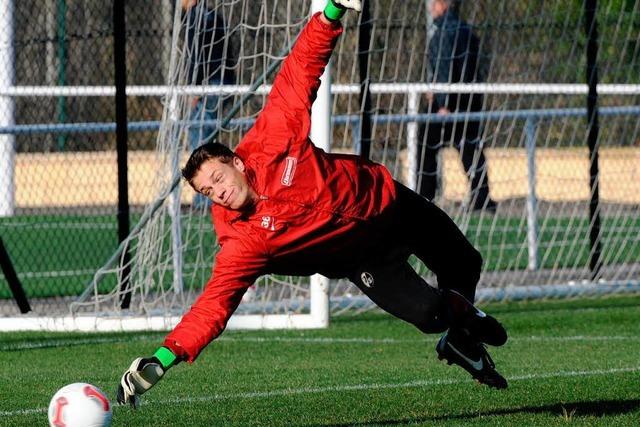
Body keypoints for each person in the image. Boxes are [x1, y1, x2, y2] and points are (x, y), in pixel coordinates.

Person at [117, 0, 508, 409]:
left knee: (465, 263)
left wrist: (331, 12)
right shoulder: (242, 243)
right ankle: (459, 325)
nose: (218, 191)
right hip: (364, 259)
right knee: (429, 315)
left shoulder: (273, 137)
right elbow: (213, 305)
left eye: (218, 178)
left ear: (236, 162)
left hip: (391, 204)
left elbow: (299, 69)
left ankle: (462, 340)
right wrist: (164, 358)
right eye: (207, 192)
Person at [417, 0, 497, 211]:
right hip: (470, 101)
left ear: (443, 4)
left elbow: (445, 66)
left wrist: (443, 102)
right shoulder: (468, 31)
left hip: (448, 105)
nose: (431, 8)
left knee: (425, 144)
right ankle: (483, 199)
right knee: (470, 148)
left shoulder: (443, 33)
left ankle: (424, 196)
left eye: (434, 4)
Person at [183, 0, 236, 208]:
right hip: (221, 81)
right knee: (205, 133)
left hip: (209, 85)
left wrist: (194, 87)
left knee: (201, 135)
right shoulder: (211, 15)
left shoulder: (198, 17)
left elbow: (197, 56)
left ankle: (203, 201)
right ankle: (203, 199)